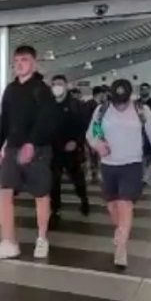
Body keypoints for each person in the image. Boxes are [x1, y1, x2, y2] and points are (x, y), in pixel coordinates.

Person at [87, 79, 151, 268]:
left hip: (132, 164)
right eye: (117, 101)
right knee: (112, 206)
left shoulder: (141, 110)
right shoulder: (102, 110)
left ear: (130, 96)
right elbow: (93, 132)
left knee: (126, 204)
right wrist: (98, 144)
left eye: (123, 101)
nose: (121, 105)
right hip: (108, 165)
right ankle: (120, 230)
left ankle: (121, 248)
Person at [0, 45, 58, 261]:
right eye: (16, 61)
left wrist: (32, 143)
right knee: (4, 192)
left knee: (41, 194)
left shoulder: (42, 90)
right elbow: (4, 120)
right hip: (12, 148)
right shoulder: (10, 89)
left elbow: (46, 120)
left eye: (24, 60)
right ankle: (8, 241)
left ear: (34, 63)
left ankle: (42, 237)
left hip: (38, 151)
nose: (19, 64)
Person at [50, 75, 89, 217]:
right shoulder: (48, 105)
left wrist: (76, 142)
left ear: (66, 86)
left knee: (77, 178)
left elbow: (84, 126)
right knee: (53, 181)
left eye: (60, 84)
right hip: (54, 149)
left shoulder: (76, 105)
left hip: (71, 149)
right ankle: (55, 208)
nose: (57, 87)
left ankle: (83, 199)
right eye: (54, 84)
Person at [84, 86, 107, 182]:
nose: (105, 96)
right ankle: (93, 173)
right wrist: (99, 135)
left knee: (94, 156)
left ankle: (93, 173)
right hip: (92, 134)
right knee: (92, 155)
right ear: (99, 94)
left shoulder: (100, 105)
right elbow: (93, 122)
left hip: (94, 133)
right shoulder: (92, 106)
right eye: (104, 94)